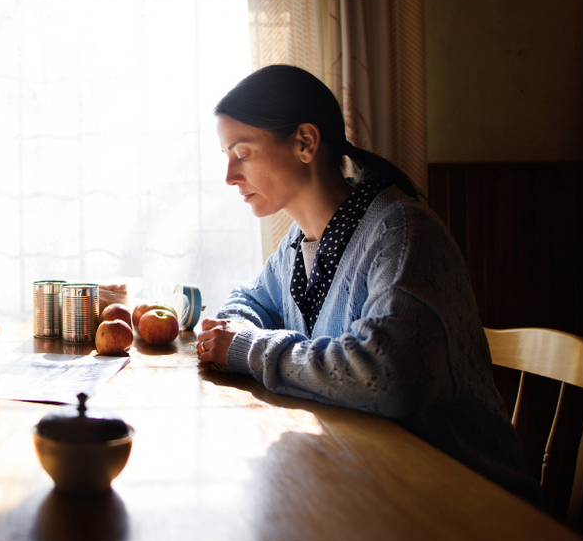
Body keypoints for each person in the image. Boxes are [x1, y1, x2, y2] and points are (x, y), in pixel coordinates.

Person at [196, 64, 540, 504]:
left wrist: (246, 347)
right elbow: (249, 299)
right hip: (378, 484)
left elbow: (388, 376)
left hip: (471, 503)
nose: (230, 176)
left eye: (242, 154)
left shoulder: (401, 232)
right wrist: (236, 331)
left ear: (305, 142)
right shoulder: (298, 242)